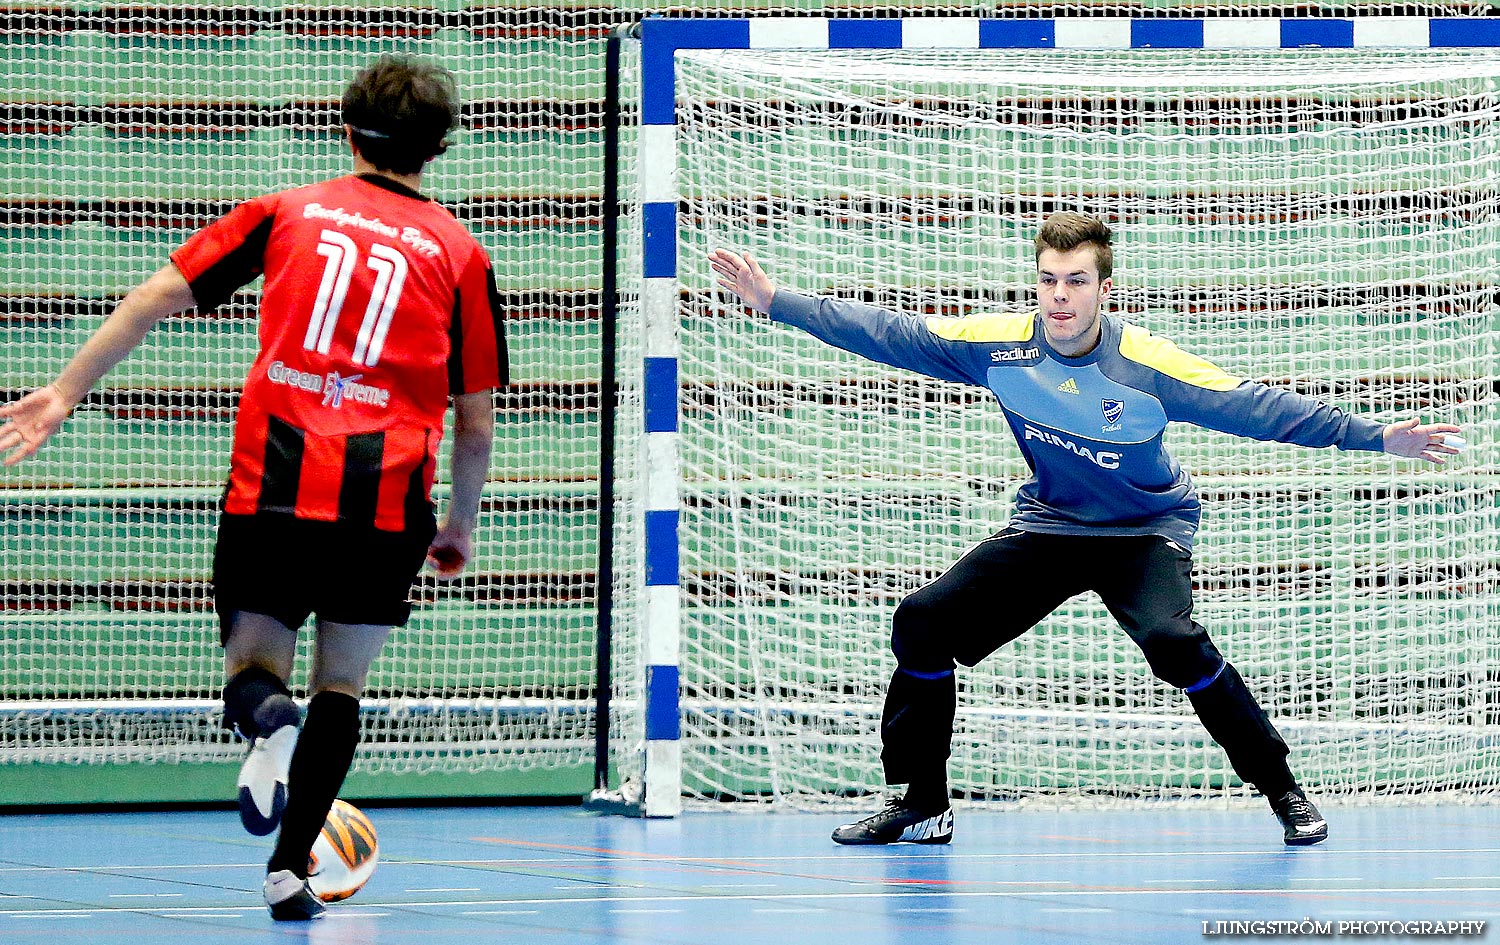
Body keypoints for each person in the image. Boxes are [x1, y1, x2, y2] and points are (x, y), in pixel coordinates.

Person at [708, 212, 1462, 848]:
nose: (1059, 296)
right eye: (1047, 279)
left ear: (1105, 289)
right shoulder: (1000, 345)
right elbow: (890, 331)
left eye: (1075, 281)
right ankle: (922, 802)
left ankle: (1283, 787)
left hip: (1144, 531)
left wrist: (1376, 438)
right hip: (1051, 525)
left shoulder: (1145, 365)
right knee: (923, 621)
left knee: (1175, 643)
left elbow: (1258, 406)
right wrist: (777, 300)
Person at [0, 56, 508, 919]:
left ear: (346, 129)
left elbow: (160, 293)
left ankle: (267, 715)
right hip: (385, 506)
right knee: (341, 684)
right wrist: (458, 522)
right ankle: (286, 870)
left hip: (272, 485)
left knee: (253, 669)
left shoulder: (289, 212)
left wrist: (64, 392)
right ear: (440, 149)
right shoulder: (461, 254)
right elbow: (476, 420)